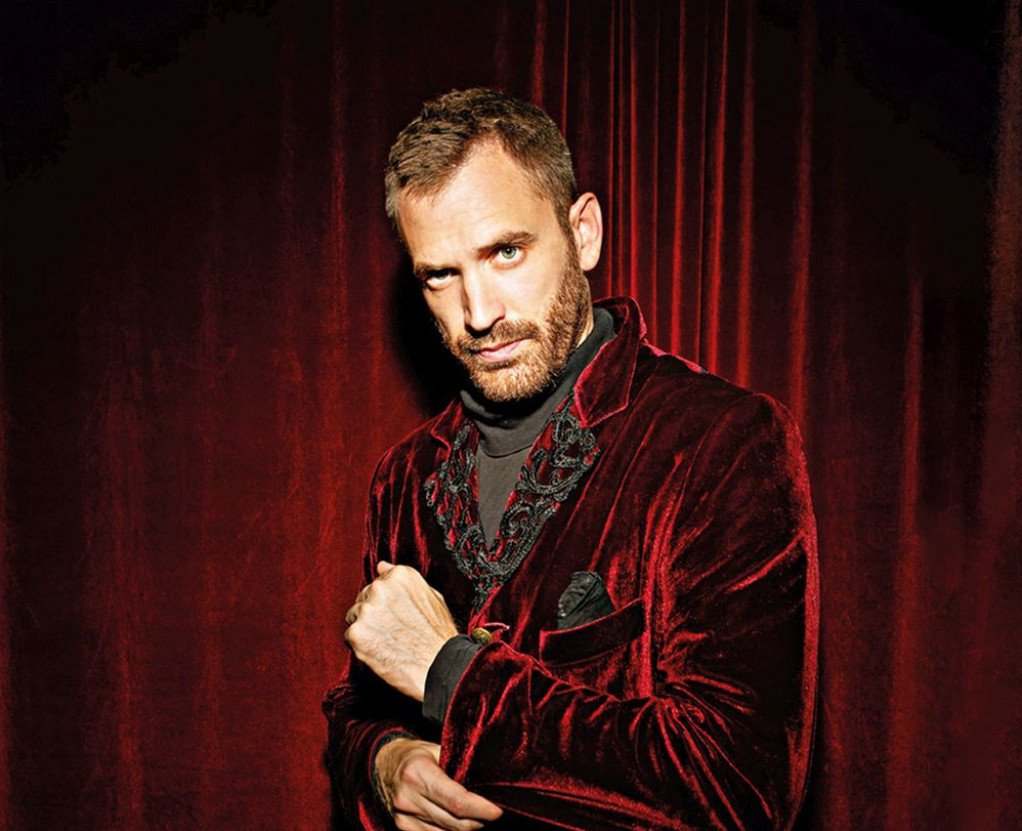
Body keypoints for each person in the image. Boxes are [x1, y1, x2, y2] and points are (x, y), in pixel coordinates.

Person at [324, 88, 818, 831]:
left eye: (506, 252)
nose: (479, 313)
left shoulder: (721, 443)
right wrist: (384, 762)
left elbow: (738, 787)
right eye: (440, 275)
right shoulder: (406, 476)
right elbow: (357, 709)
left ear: (583, 233)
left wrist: (450, 673)